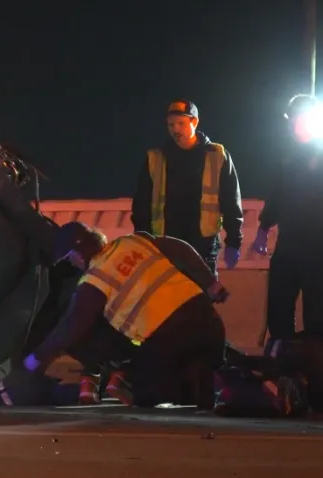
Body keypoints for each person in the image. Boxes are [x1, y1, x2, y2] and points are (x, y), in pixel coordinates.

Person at [22, 222, 229, 408]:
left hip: (172, 342)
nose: (72, 264)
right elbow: (182, 250)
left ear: (78, 252)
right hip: (210, 327)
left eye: (69, 258)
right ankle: (207, 377)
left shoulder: (95, 278)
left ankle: (131, 379)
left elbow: (72, 327)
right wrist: (211, 283)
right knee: (194, 365)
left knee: (145, 393)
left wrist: (35, 359)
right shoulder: (133, 242)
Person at [131, 100, 244, 276]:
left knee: (200, 298)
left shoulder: (217, 155)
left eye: (181, 123)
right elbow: (142, 203)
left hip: (203, 245)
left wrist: (233, 242)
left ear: (195, 123)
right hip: (166, 245)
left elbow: (231, 200)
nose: (175, 129)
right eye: (171, 125)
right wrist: (142, 238)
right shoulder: (156, 158)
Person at [253, 94, 323, 354]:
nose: (296, 127)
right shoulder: (287, 158)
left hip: (319, 249)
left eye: (301, 121)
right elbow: (276, 196)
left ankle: (313, 374)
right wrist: (262, 230)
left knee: (317, 315)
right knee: (279, 310)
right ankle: (281, 371)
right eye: (292, 121)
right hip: (288, 247)